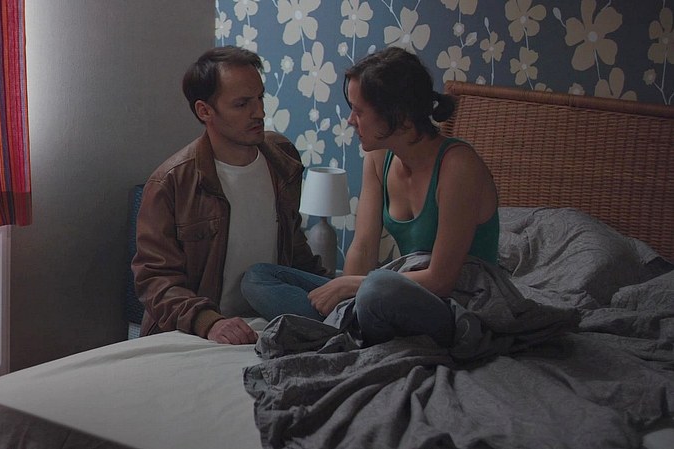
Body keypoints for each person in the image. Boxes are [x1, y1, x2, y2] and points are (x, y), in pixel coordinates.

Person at [241, 46, 499, 348]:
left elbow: (442, 280)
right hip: (386, 295)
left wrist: (352, 286)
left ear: (398, 115)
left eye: (359, 111)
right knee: (257, 278)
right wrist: (346, 294)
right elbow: (363, 248)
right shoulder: (378, 159)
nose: (351, 120)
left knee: (378, 289)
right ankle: (350, 327)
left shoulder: (458, 167)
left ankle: (344, 330)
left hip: (453, 304)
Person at [131, 46, 330, 345]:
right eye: (242, 104)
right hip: (199, 332)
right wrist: (209, 322)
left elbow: (295, 250)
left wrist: (335, 293)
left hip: (270, 321)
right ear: (205, 111)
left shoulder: (282, 160)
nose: (259, 112)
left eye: (260, 98)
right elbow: (155, 280)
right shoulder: (170, 183)